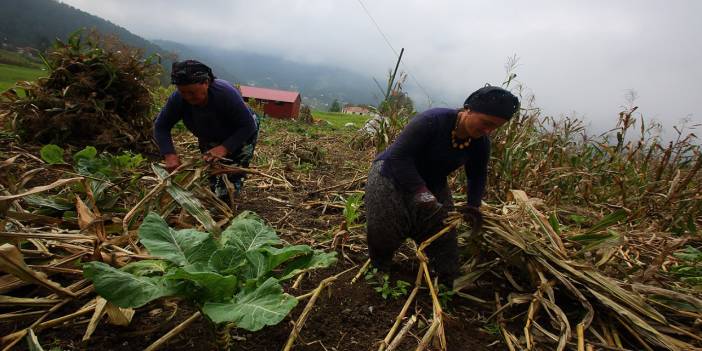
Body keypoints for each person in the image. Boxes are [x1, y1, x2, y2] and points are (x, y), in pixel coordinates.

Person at [364, 85, 519, 287]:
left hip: (433, 181)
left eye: (494, 127)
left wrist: (473, 206)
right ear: (468, 109)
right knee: (385, 228)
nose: (487, 131)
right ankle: (379, 267)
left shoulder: (480, 143)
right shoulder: (432, 121)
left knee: (444, 231)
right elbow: (399, 157)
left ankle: (445, 280)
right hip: (391, 175)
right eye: (485, 123)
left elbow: (477, 175)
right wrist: (421, 192)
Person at [153, 60, 259, 199]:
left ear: (206, 83)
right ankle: (217, 196)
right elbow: (161, 126)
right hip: (209, 135)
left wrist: (224, 148)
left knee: (231, 172)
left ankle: (227, 204)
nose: (187, 97)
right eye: (183, 92)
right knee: (212, 171)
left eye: (192, 92)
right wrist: (169, 154)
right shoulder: (178, 99)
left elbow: (248, 125)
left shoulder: (224, 93)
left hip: (240, 131)